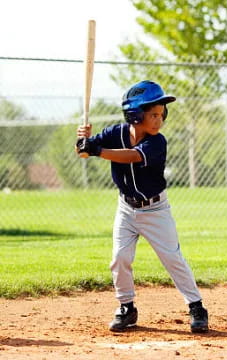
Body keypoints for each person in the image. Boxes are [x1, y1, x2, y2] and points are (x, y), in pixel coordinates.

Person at [75, 80, 209, 333]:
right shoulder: (115, 133)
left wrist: (96, 149)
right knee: (119, 258)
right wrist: (83, 141)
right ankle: (127, 307)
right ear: (135, 115)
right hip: (126, 209)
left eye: (161, 114)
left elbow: (133, 156)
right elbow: (83, 152)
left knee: (172, 258)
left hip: (155, 210)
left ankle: (196, 306)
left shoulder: (158, 142)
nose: (159, 120)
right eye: (153, 114)